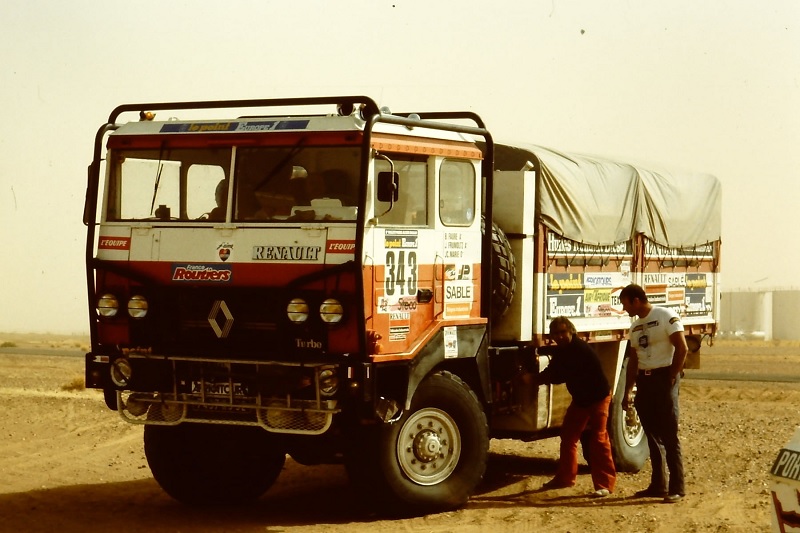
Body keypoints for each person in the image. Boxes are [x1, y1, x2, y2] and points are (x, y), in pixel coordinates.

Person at [620, 283, 688, 504]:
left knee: (669, 434)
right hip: (645, 380)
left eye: (625, 304)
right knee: (651, 435)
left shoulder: (665, 315)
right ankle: (659, 484)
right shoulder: (635, 327)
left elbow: (682, 348)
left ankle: (677, 487)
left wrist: (672, 376)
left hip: (664, 378)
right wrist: (628, 389)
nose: (625, 309)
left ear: (636, 300)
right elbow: (633, 361)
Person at [538, 316, 617, 497]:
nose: (560, 336)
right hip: (581, 399)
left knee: (598, 439)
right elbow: (554, 371)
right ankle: (565, 478)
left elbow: (558, 376)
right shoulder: (563, 351)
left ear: (571, 331)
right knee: (568, 436)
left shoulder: (579, 350)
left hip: (598, 398)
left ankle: (604, 484)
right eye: (556, 333)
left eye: (563, 332)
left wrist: (534, 379)